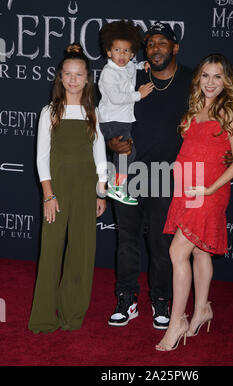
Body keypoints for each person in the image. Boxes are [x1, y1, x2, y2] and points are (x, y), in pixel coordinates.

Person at [107, 23, 232, 329]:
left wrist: (225, 149)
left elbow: (217, 114)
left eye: (162, 43)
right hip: (126, 169)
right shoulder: (131, 76)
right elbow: (105, 107)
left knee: (163, 244)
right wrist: (109, 140)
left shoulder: (192, 80)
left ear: (175, 48)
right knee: (126, 241)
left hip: (168, 175)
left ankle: (160, 301)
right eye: (150, 44)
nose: (155, 49)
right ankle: (127, 298)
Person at [155, 53, 233, 351]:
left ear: (226, 80)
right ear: (198, 79)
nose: (210, 82)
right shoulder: (193, 110)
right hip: (186, 189)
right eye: (205, 76)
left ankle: (177, 320)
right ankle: (202, 309)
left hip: (209, 193)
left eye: (217, 76)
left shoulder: (231, 111)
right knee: (200, 252)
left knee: (177, 251)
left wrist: (208, 189)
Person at [28, 43, 107, 334]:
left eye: (79, 74)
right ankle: (44, 317)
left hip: (87, 192)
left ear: (87, 79)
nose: (73, 79)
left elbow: (100, 155)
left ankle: (73, 314)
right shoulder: (49, 112)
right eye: (68, 74)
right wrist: (48, 196)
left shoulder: (92, 112)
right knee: (50, 252)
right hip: (57, 193)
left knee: (82, 254)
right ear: (60, 78)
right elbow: (41, 158)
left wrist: (101, 192)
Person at [98, 20, 153, 205]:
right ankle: (115, 188)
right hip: (112, 120)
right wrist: (139, 94)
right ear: (108, 51)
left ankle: (115, 187)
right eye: (117, 50)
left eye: (126, 51)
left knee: (126, 153)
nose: (121, 55)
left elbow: (133, 67)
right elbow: (115, 97)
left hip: (122, 120)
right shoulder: (108, 73)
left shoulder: (128, 65)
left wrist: (143, 64)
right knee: (127, 153)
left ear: (132, 53)